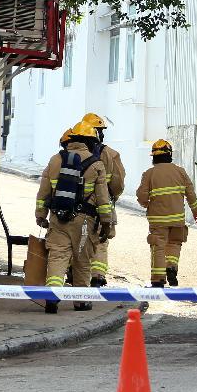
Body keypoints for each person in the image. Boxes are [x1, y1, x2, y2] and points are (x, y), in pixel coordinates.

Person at [35, 121, 113, 313]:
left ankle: (52, 296)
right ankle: (80, 301)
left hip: (57, 218)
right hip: (84, 221)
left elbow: (43, 192)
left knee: (58, 257)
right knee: (82, 260)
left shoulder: (55, 160)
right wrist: (106, 223)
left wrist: (40, 215)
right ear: (89, 141)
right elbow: (104, 200)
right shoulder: (96, 164)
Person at [136, 139, 197, 287]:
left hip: (158, 220)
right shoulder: (180, 172)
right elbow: (191, 194)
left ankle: (158, 279)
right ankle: (171, 266)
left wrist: (145, 203)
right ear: (169, 155)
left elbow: (141, 197)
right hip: (177, 219)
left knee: (158, 246)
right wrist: (196, 211)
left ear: (153, 156)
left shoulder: (149, 174)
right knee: (174, 243)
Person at [81, 113, 126, 287]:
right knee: (100, 239)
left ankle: (73, 271)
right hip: (103, 203)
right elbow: (118, 183)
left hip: (77, 204)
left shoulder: (70, 152)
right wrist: (112, 196)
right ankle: (97, 275)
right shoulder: (110, 154)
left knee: (76, 238)